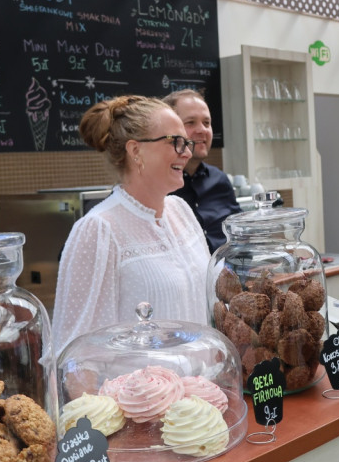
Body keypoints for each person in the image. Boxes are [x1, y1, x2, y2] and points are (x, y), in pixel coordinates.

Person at [52, 95, 210, 349]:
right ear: (135, 150)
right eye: (176, 142)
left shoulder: (181, 211)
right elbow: (74, 347)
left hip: (201, 385)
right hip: (138, 387)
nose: (188, 152)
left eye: (187, 143)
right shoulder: (99, 229)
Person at [163, 89, 241, 252]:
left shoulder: (220, 180)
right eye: (190, 122)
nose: (202, 130)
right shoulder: (157, 184)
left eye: (206, 123)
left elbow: (240, 234)